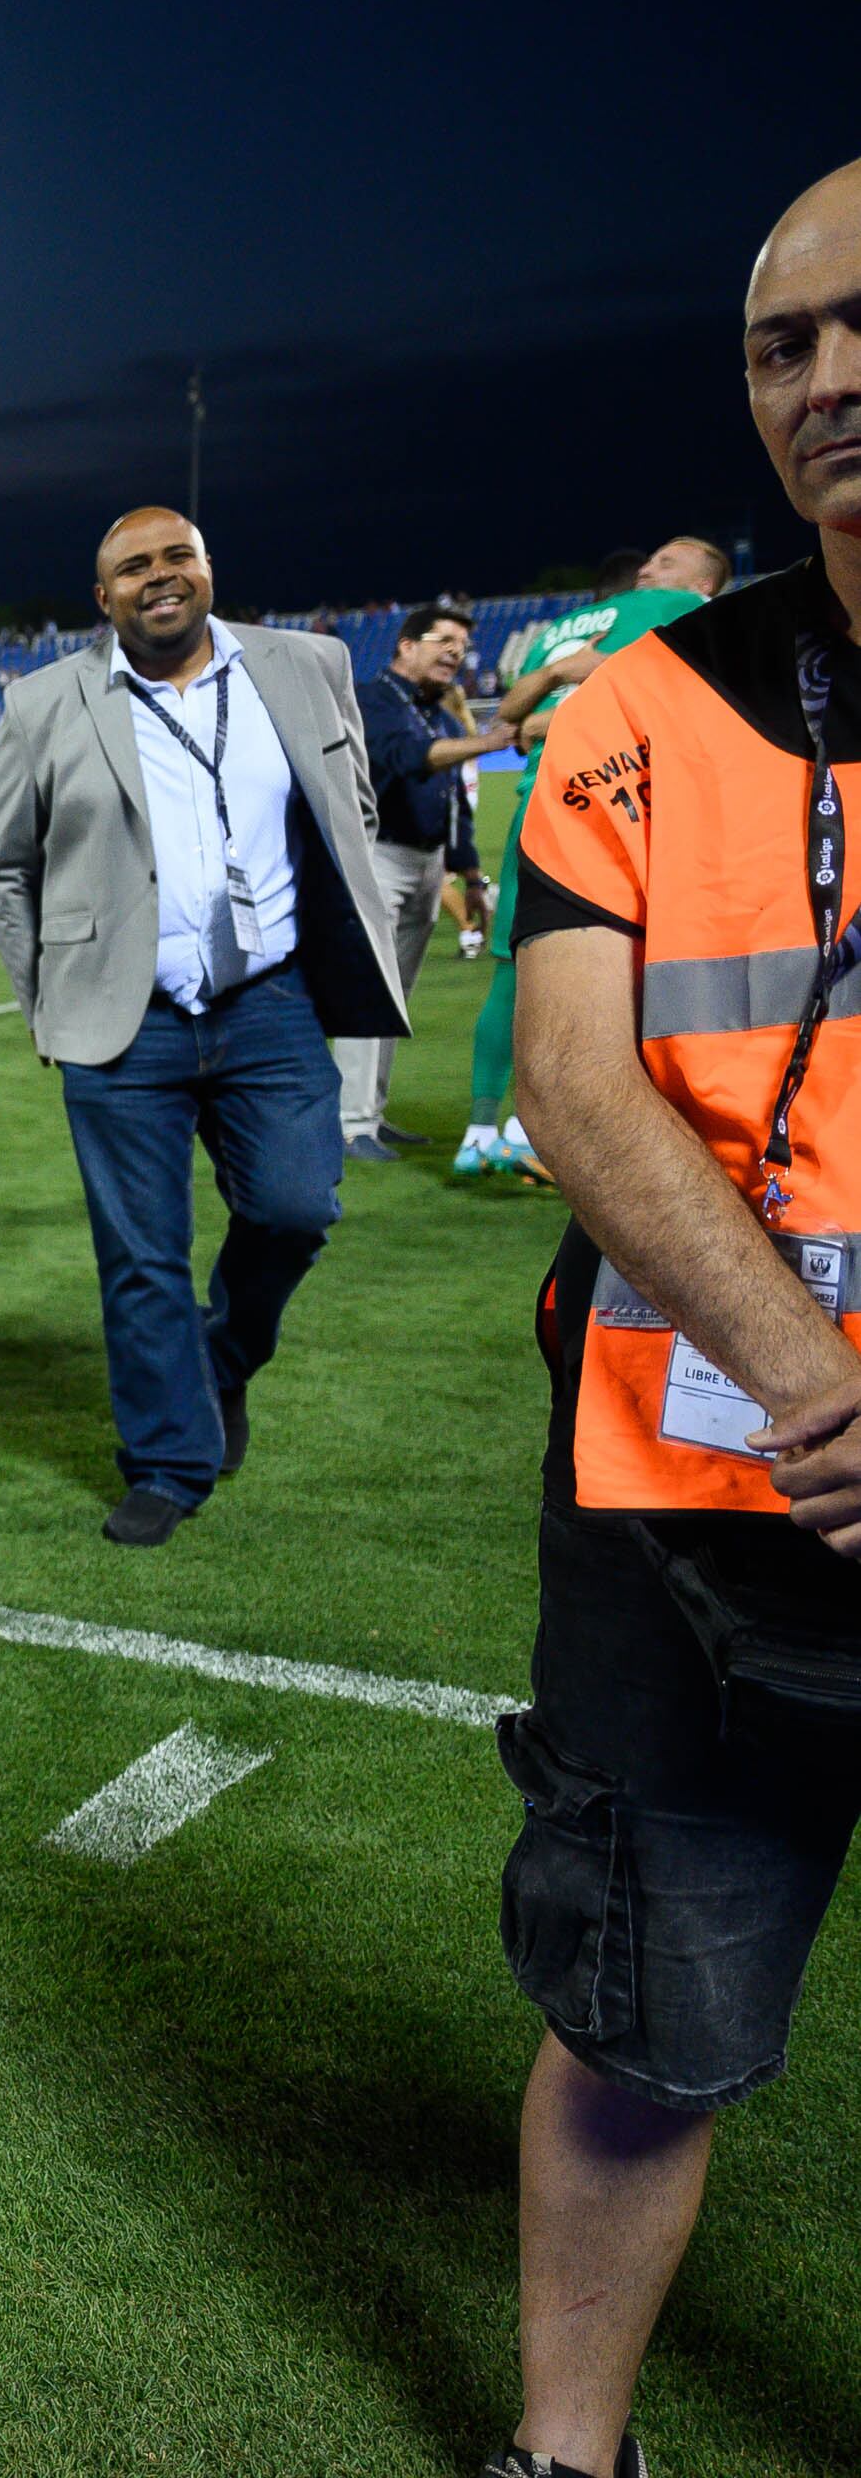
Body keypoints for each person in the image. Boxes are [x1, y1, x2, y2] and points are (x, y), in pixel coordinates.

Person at [481, 157, 861, 2478]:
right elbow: (569, 1073)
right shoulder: (644, 707)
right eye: (778, 346)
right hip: (689, 1503)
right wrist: (822, 1386)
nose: (825, 380)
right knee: (645, 2014)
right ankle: (566, 2456)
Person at [0, 509, 411, 1546]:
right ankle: (169, 1461)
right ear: (103, 597)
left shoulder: (306, 664)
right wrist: (48, 1004)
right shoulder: (42, 701)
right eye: (133, 567)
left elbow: (350, 808)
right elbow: (0, 870)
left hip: (270, 1001)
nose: (158, 577)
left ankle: (220, 1360)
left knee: (296, 1207)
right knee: (141, 1254)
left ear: (208, 568)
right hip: (123, 1021)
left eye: (177, 557)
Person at [462, 540, 727, 1176]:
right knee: (625, 967)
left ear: (704, 582)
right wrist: (573, 676)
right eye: (651, 560)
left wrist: (562, 674)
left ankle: (485, 1132)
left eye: (669, 560)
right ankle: (546, 1129)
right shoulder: (682, 609)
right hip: (625, 802)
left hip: (541, 800)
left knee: (522, 966)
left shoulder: (565, 627)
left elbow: (517, 720)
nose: (651, 568)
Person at [338, 606, 512, 1159]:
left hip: (428, 862)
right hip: (379, 855)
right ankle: (350, 1122)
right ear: (406, 646)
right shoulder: (371, 700)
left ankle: (372, 1113)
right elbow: (404, 758)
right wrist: (489, 742)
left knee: (396, 998)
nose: (456, 651)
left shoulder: (438, 715)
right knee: (370, 991)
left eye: (462, 644)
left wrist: (471, 876)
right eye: (444, 639)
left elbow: (455, 802)